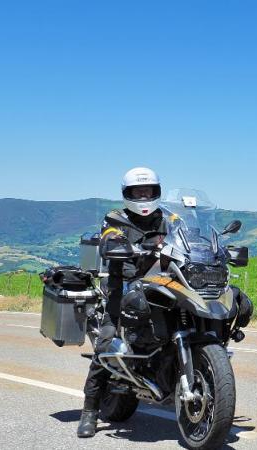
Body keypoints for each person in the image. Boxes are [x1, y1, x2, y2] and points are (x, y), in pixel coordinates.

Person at [77, 167, 166, 438]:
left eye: (148, 190)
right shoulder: (115, 218)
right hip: (123, 286)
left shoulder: (168, 218)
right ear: (128, 194)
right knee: (107, 342)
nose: (144, 196)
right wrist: (115, 243)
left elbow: (188, 236)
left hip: (160, 283)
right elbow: (108, 237)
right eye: (138, 191)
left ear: (156, 191)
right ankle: (89, 411)